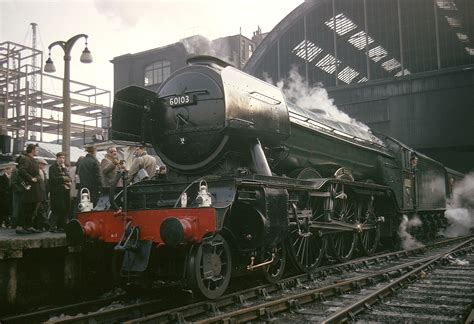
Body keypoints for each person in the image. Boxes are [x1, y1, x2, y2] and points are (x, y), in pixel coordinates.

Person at [17, 144, 42, 234]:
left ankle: (28, 226)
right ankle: (21, 226)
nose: (38, 151)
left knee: (32, 206)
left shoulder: (33, 160)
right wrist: (31, 178)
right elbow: (22, 171)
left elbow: (38, 173)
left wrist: (37, 178)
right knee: (26, 206)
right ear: (32, 150)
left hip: (34, 187)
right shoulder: (25, 159)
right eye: (37, 150)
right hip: (28, 186)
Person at [49, 152, 71, 232]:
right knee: (56, 209)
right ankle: (52, 227)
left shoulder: (64, 168)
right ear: (57, 158)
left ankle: (62, 226)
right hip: (56, 192)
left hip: (64, 191)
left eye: (63, 158)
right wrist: (63, 178)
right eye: (61, 158)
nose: (62, 160)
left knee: (64, 209)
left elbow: (69, 177)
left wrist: (66, 178)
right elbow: (53, 179)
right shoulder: (52, 167)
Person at [0, 162, 16, 228]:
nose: (11, 171)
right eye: (10, 169)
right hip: (4, 197)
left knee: (8, 210)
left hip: (10, 196)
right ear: (6, 170)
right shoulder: (1, 177)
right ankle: (5, 223)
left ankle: (7, 223)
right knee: (4, 210)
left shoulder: (11, 178)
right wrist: (5, 192)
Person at [35, 159, 50, 231]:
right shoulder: (37, 171)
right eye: (43, 164)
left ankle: (41, 225)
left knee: (42, 209)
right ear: (39, 164)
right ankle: (40, 225)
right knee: (39, 210)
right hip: (39, 193)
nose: (44, 166)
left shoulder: (43, 172)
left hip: (43, 193)